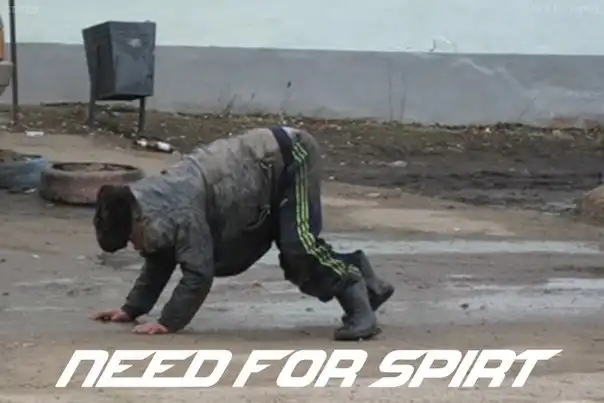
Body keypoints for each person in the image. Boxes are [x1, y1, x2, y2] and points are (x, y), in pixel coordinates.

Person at [91, 126, 394, 341]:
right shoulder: (149, 204)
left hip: (292, 156)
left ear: (137, 219)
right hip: (263, 173)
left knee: (299, 248)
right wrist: (132, 309)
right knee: (295, 258)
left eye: (130, 239)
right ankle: (370, 284)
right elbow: (161, 257)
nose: (135, 246)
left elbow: (198, 274)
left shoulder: (177, 208)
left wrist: (167, 323)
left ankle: (359, 308)